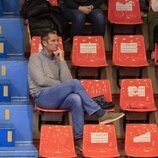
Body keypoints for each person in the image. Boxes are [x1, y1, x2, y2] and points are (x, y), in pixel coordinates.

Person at [28, 29, 124, 149]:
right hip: (42, 96)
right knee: (74, 83)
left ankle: (79, 139)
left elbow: (67, 80)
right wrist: (60, 84)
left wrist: (62, 61)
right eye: (53, 41)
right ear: (44, 43)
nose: (57, 43)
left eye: (57, 40)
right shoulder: (35, 58)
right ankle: (100, 113)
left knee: (76, 99)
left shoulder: (57, 59)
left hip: (57, 97)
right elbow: (41, 81)